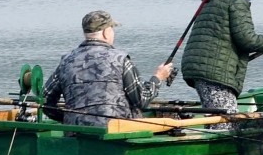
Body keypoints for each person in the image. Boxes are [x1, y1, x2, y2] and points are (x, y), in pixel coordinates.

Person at [42, 10, 173, 128]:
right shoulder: (120, 59)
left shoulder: (66, 61)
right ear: (106, 32)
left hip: (76, 132)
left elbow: (45, 100)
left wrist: (66, 118)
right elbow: (141, 100)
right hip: (116, 132)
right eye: (112, 29)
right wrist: (158, 77)